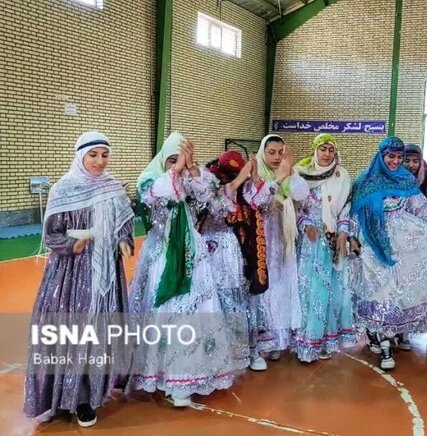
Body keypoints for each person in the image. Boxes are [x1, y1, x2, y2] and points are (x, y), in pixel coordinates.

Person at [24, 131, 134, 427]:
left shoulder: (113, 187)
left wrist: (124, 241)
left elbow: (125, 223)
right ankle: (61, 394)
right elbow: (51, 235)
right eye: (93, 155)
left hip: (107, 276)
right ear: (80, 156)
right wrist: (73, 245)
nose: (99, 161)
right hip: (71, 277)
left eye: (104, 155)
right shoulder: (64, 189)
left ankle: (86, 397)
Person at [128, 132, 248, 406]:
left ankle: (187, 378)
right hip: (163, 256)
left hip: (193, 256)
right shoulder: (150, 181)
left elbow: (213, 202)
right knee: (167, 312)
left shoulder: (193, 179)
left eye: (180, 159)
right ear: (163, 159)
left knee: (194, 311)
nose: (176, 165)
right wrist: (178, 171)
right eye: (171, 160)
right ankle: (161, 375)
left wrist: (193, 170)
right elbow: (157, 199)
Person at [350, 136, 427, 370]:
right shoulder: (365, 179)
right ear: (381, 155)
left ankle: (385, 341)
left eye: (399, 157)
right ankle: (375, 333)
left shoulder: (406, 180)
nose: (395, 161)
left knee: (392, 292)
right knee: (376, 291)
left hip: (401, 246)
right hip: (370, 244)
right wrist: (352, 237)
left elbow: (420, 207)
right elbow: (355, 212)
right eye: (391, 156)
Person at [242, 134, 310, 371]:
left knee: (281, 287)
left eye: (280, 152)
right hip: (260, 240)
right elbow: (256, 201)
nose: (276, 157)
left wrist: (289, 173)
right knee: (262, 289)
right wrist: (280, 178)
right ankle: (256, 346)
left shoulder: (287, 171)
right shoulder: (255, 173)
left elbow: (302, 195)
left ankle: (277, 341)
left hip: (283, 239)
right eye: (272, 152)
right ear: (263, 152)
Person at [294, 133, 355, 362]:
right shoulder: (303, 174)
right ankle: (307, 343)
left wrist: (343, 232)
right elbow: (296, 207)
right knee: (310, 291)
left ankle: (327, 339)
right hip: (311, 241)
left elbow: (345, 208)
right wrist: (306, 225)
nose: (327, 154)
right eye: (323, 149)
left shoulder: (342, 175)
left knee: (331, 291)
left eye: (331, 149)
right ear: (315, 150)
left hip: (332, 241)